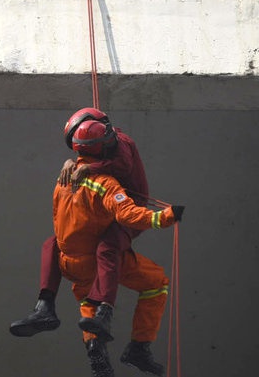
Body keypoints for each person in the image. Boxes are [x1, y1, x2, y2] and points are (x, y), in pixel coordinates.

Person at [11, 108, 153, 342]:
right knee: (54, 244)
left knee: (108, 247)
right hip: (104, 209)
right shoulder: (98, 148)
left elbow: (122, 166)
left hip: (129, 211)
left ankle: (104, 311)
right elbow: (87, 158)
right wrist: (72, 163)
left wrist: (88, 168)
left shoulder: (122, 143)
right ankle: (44, 307)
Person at [54, 120, 183, 377]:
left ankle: (96, 353)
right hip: (101, 258)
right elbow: (129, 214)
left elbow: (57, 220)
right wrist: (167, 216)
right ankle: (128, 335)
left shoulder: (63, 180)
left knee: (91, 300)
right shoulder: (104, 182)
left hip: (74, 263)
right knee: (150, 280)